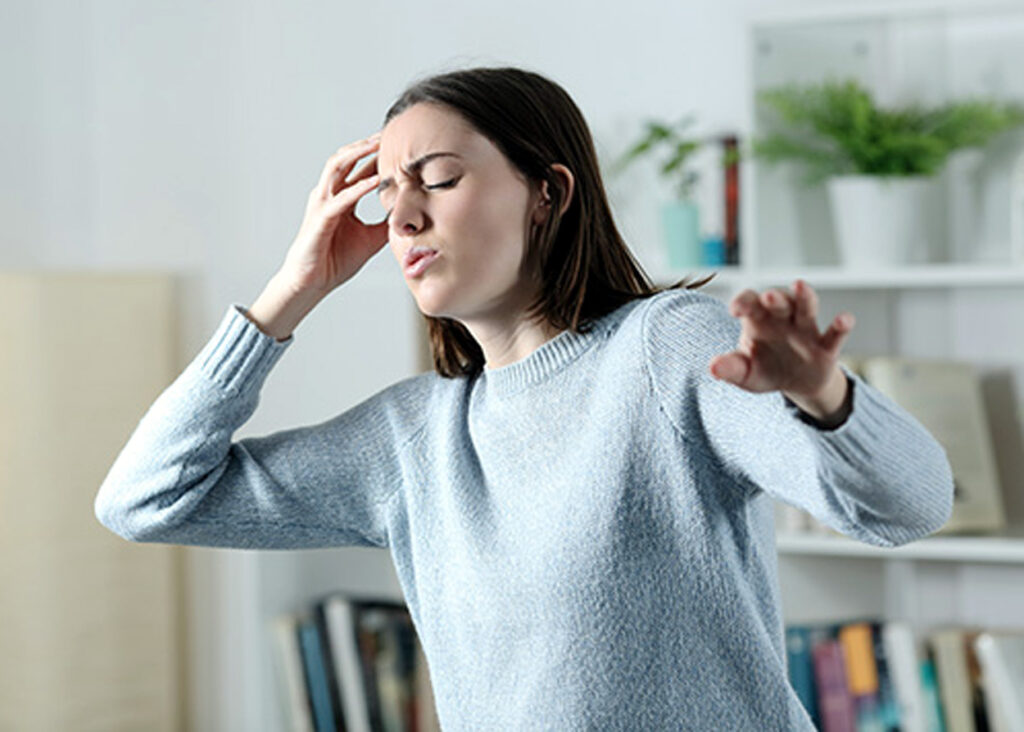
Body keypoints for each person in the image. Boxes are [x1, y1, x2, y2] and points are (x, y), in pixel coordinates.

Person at [95, 66, 954, 730]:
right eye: (388, 191)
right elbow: (144, 499)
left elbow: (908, 506)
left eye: (436, 177)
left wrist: (823, 395)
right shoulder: (411, 439)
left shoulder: (662, 348)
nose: (401, 217)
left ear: (548, 192)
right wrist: (292, 287)